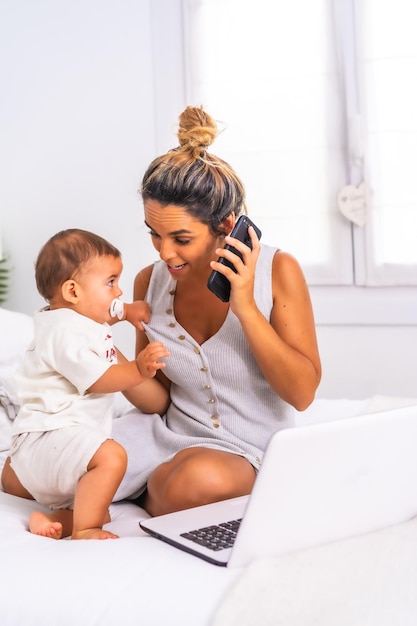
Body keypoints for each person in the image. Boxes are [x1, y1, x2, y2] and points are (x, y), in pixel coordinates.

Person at [111, 105, 322, 516]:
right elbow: (157, 401)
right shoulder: (148, 283)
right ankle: (145, 484)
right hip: (166, 435)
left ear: (226, 226)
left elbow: (302, 394)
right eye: (155, 234)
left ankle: (134, 488)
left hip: (247, 452)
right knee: (26, 469)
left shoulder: (278, 271)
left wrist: (244, 307)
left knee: (194, 481)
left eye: (181, 238)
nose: (164, 252)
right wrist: (99, 347)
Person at [0, 229, 169, 540]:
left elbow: (104, 313)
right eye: (111, 282)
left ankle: (48, 520)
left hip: (40, 447)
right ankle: (84, 531)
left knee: (98, 506)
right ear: (73, 292)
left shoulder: (67, 318)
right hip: (50, 434)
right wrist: (138, 370)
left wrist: (128, 312)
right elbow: (100, 379)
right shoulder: (66, 333)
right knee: (112, 457)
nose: (118, 292)